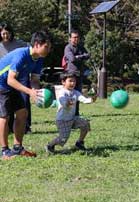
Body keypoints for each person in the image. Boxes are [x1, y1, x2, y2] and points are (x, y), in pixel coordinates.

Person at [0, 31, 51, 160]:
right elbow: (10, 79)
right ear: (37, 44)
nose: (48, 50)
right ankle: (4, 151)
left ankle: (17, 148)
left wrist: (37, 92)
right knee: (5, 116)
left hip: (12, 84)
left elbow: (34, 79)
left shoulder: (38, 59)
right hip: (2, 83)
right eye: (46, 47)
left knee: (22, 113)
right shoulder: (21, 54)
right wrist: (29, 92)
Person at [45, 72, 96, 154]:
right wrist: (67, 104)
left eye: (74, 81)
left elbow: (83, 99)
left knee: (85, 124)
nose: (73, 83)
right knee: (63, 139)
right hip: (62, 120)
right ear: (63, 82)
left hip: (72, 118)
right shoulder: (62, 92)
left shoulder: (75, 92)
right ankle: (50, 145)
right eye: (70, 81)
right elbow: (62, 101)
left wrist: (91, 99)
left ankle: (79, 143)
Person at [0, 22, 31, 134]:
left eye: (7, 33)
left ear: (11, 33)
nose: (5, 36)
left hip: (19, 76)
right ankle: (8, 128)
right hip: (4, 79)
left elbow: (30, 49)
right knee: (6, 105)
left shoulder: (19, 43)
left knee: (23, 102)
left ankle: (26, 126)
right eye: (3, 34)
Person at [64, 29, 90, 116]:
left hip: (79, 74)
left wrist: (78, 56)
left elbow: (88, 55)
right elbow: (72, 59)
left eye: (77, 37)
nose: (76, 39)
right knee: (70, 94)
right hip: (71, 74)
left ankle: (76, 114)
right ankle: (69, 113)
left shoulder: (81, 47)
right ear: (70, 39)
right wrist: (81, 56)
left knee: (78, 95)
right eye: (74, 37)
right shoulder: (68, 48)